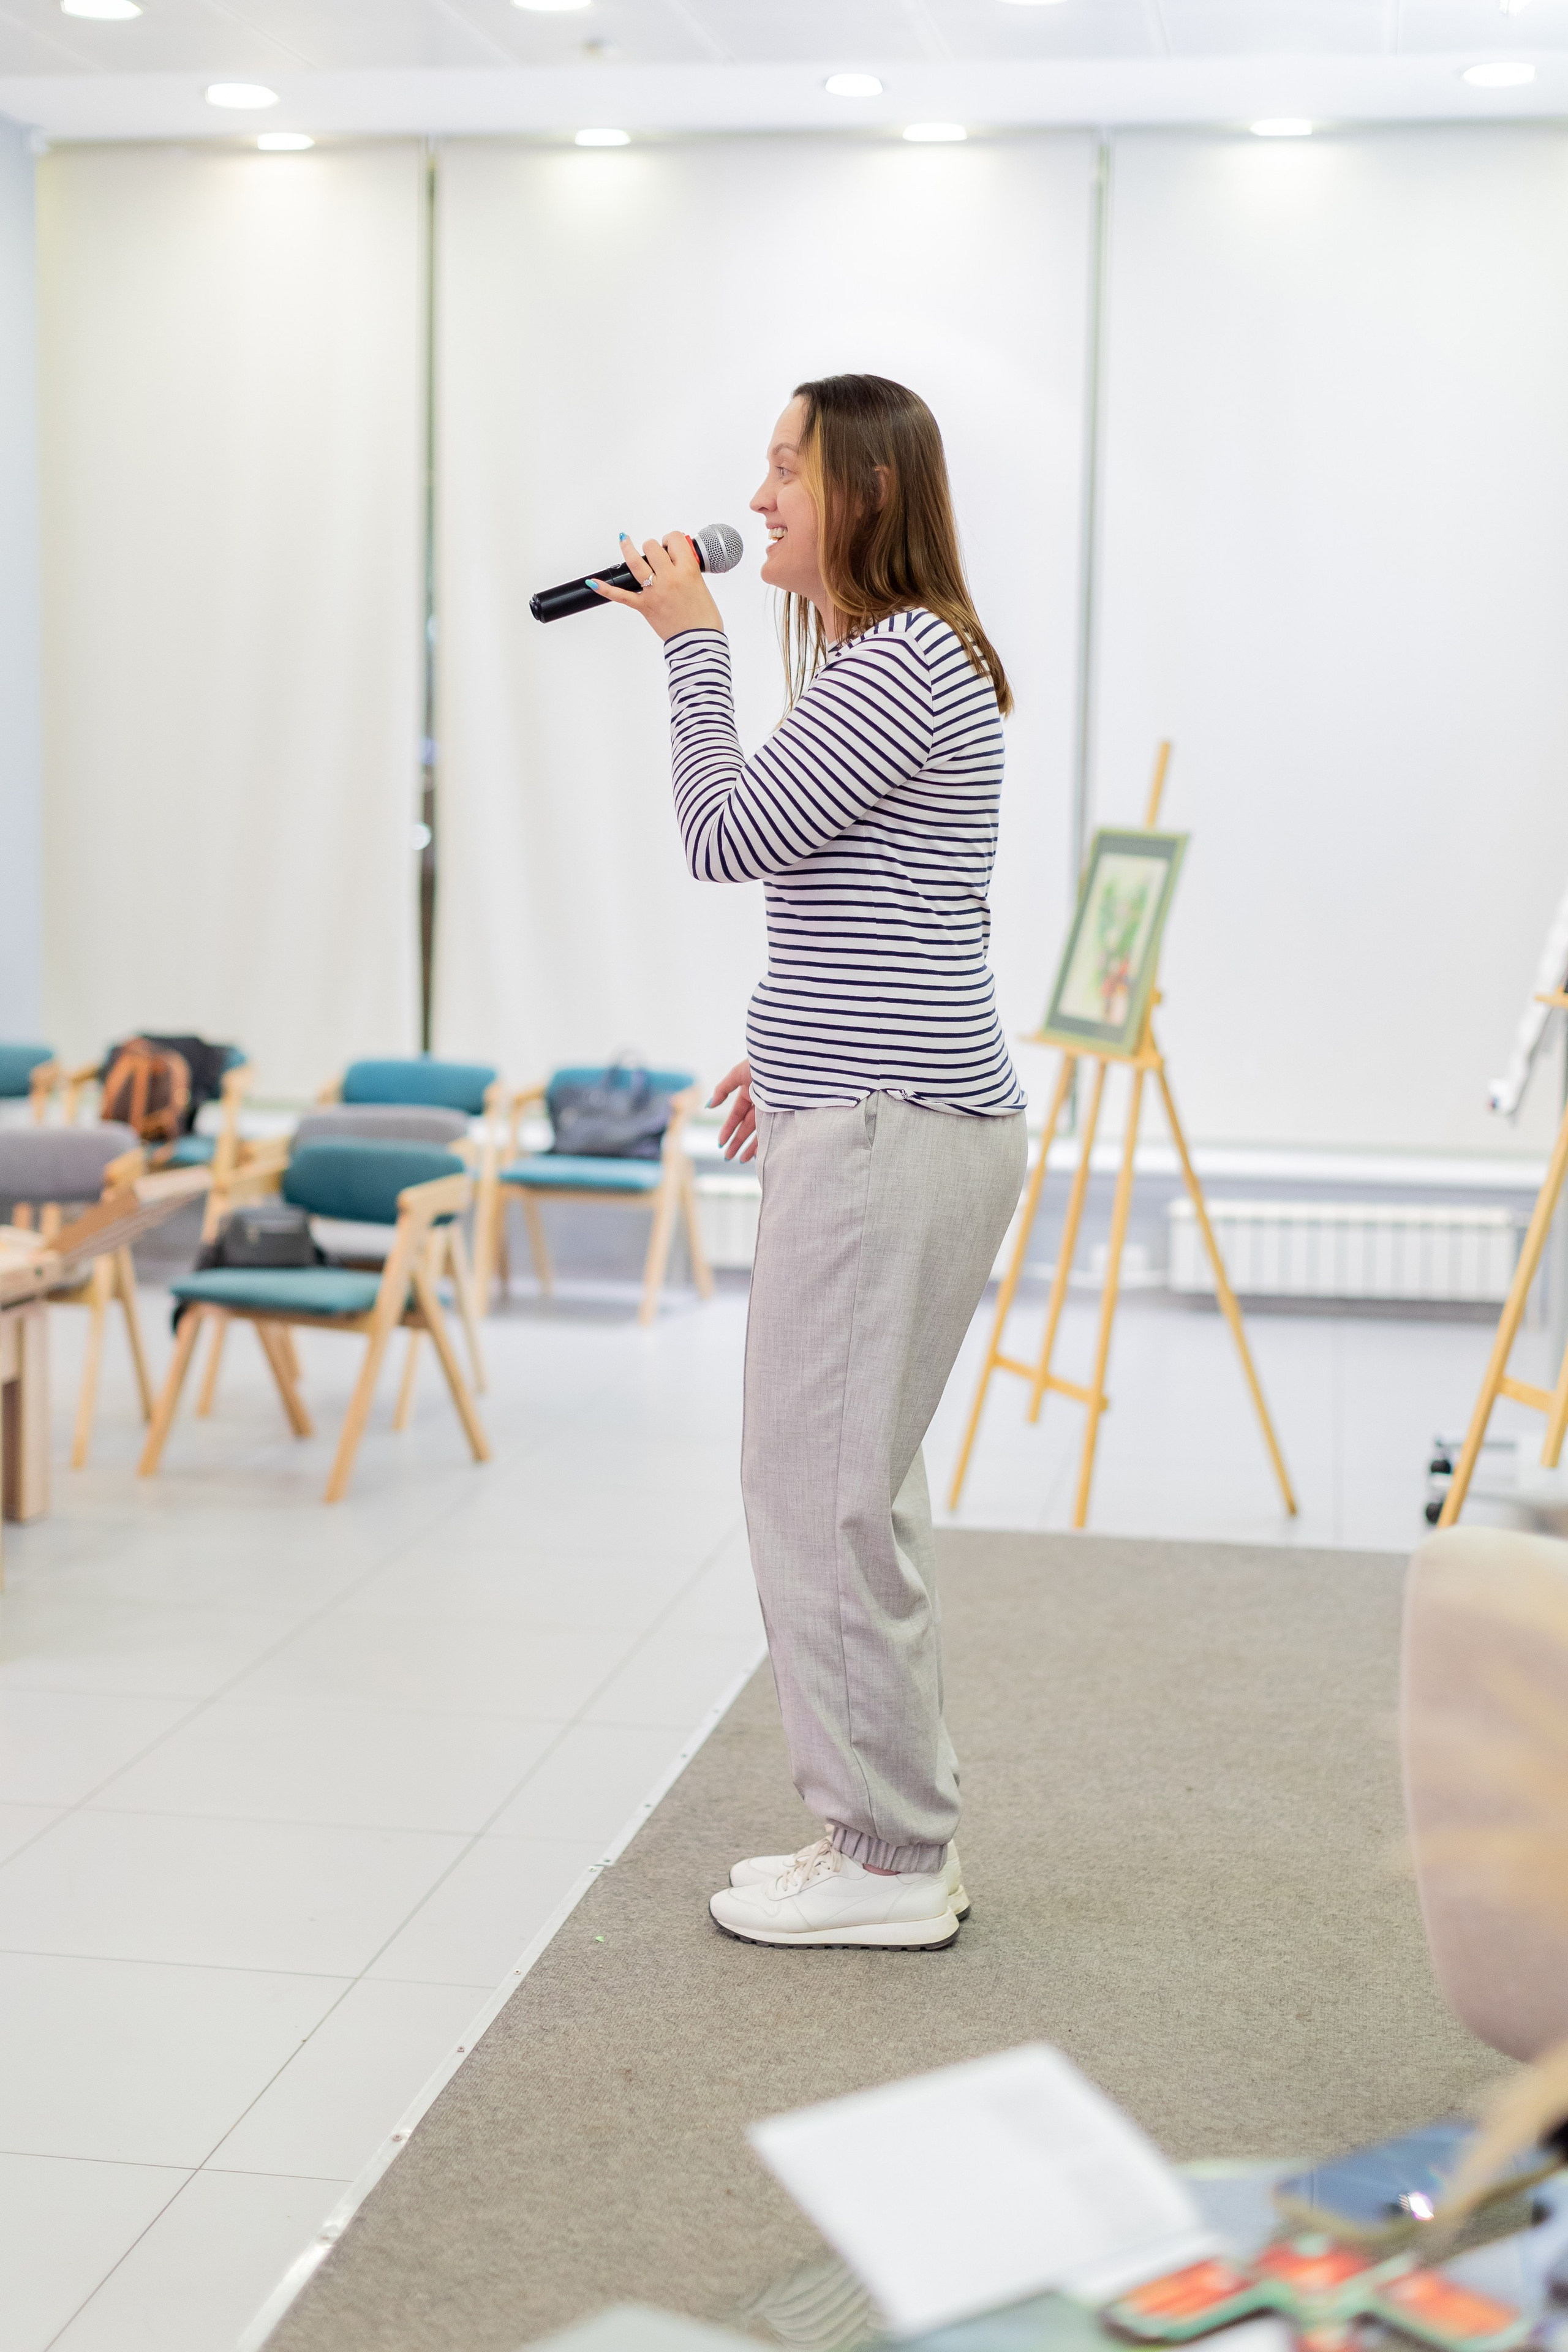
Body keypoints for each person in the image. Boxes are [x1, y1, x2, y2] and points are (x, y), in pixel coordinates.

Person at [593, 372, 1027, 1950]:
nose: (756, 494)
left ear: (866, 490)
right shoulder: (895, 658)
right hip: (881, 1102)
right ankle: (877, 1831)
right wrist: (783, 1048)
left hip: (887, 1127)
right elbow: (883, 901)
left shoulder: (896, 663)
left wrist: (687, 642)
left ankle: (891, 1863)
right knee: (847, 1489)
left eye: (785, 467)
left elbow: (725, 834)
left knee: (812, 1492)